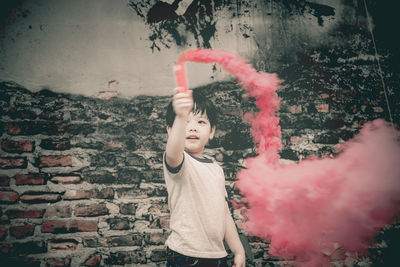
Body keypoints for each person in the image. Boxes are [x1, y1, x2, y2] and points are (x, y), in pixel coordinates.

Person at [163, 87, 246, 267]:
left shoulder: (216, 169)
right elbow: (172, 152)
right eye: (186, 121)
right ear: (171, 130)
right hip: (185, 256)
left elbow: (224, 213)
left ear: (211, 131)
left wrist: (238, 250)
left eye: (201, 122)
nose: (192, 127)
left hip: (217, 256)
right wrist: (179, 115)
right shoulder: (179, 162)